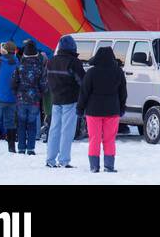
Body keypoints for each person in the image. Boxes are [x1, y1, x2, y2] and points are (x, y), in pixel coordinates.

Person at [78, 45, 127, 173]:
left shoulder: (91, 72)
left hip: (93, 111)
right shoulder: (118, 72)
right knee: (110, 139)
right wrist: (122, 107)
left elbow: (84, 92)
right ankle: (109, 166)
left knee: (94, 138)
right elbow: (123, 92)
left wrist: (80, 108)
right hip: (112, 110)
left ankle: (94, 166)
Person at [45, 35, 85, 169]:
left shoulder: (51, 61)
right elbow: (82, 81)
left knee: (54, 129)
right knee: (67, 131)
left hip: (56, 99)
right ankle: (64, 160)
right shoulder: (74, 62)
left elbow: (48, 80)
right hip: (70, 100)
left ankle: (50, 159)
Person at [12, 41, 47, 156]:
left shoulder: (19, 67)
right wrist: (40, 93)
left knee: (21, 124)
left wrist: (17, 92)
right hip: (34, 100)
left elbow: (13, 83)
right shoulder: (40, 68)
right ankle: (31, 148)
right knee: (32, 124)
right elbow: (43, 85)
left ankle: (21, 148)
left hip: (21, 99)